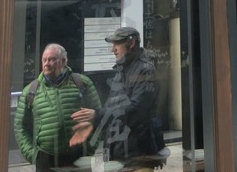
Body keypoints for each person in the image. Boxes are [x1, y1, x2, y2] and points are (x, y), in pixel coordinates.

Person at [70, 26, 166, 171]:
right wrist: (94, 124)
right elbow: (112, 108)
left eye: (117, 43)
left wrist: (98, 115)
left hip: (138, 157)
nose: (113, 49)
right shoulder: (121, 71)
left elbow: (136, 110)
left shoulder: (145, 70)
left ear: (131, 43)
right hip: (118, 155)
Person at [14, 44, 102, 171]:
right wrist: (34, 155)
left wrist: (90, 148)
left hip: (79, 155)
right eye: (44, 60)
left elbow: (99, 117)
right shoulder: (31, 91)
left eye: (51, 59)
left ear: (64, 61)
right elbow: (20, 126)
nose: (46, 64)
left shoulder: (82, 83)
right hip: (46, 159)